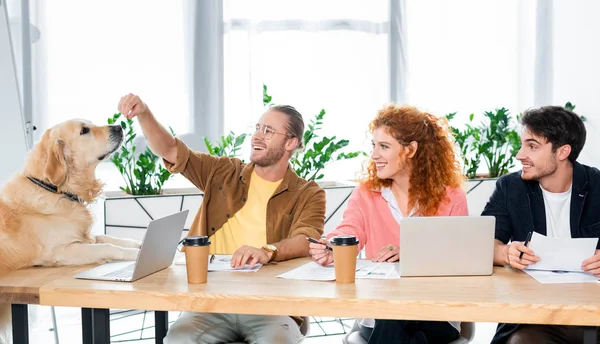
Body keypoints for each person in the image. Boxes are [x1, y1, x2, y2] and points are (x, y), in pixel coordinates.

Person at [117, 94, 325, 344]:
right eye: (257, 128)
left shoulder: (308, 193)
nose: (257, 136)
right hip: (210, 302)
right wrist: (144, 113)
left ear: (291, 143)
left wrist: (268, 251)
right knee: (178, 340)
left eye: (268, 131)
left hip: (272, 306)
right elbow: (171, 149)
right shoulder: (223, 171)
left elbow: (306, 239)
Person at [308, 104, 468, 344]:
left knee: (399, 319)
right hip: (380, 312)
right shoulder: (367, 193)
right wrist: (333, 245)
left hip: (436, 311)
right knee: (400, 323)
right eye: (374, 146)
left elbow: (461, 255)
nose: (374, 155)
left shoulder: (451, 197)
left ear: (411, 149)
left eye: (384, 146)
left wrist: (411, 254)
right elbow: (351, 228)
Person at [482, 105, 600, 344]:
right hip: (537, 318)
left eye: (532, 146)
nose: (519, 154)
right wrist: (505, 252)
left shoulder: (597, 184)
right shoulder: (509, 188)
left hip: (593, 312)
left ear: (563, 151)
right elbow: (481, 242)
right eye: (522, 144)